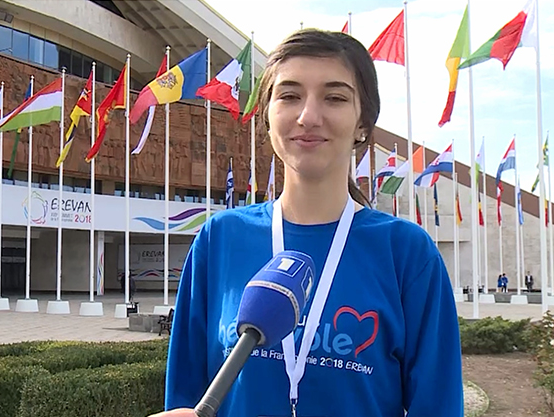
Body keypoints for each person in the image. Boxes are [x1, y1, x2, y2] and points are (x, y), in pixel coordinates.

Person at [149, 29, 463, 417]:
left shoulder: (407, 252)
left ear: (363, 123)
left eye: (334, 97)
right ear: (267, 116)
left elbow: (438, 405)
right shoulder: (221, 239)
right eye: (289, 96)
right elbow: (184, 395)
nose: (308, 116)